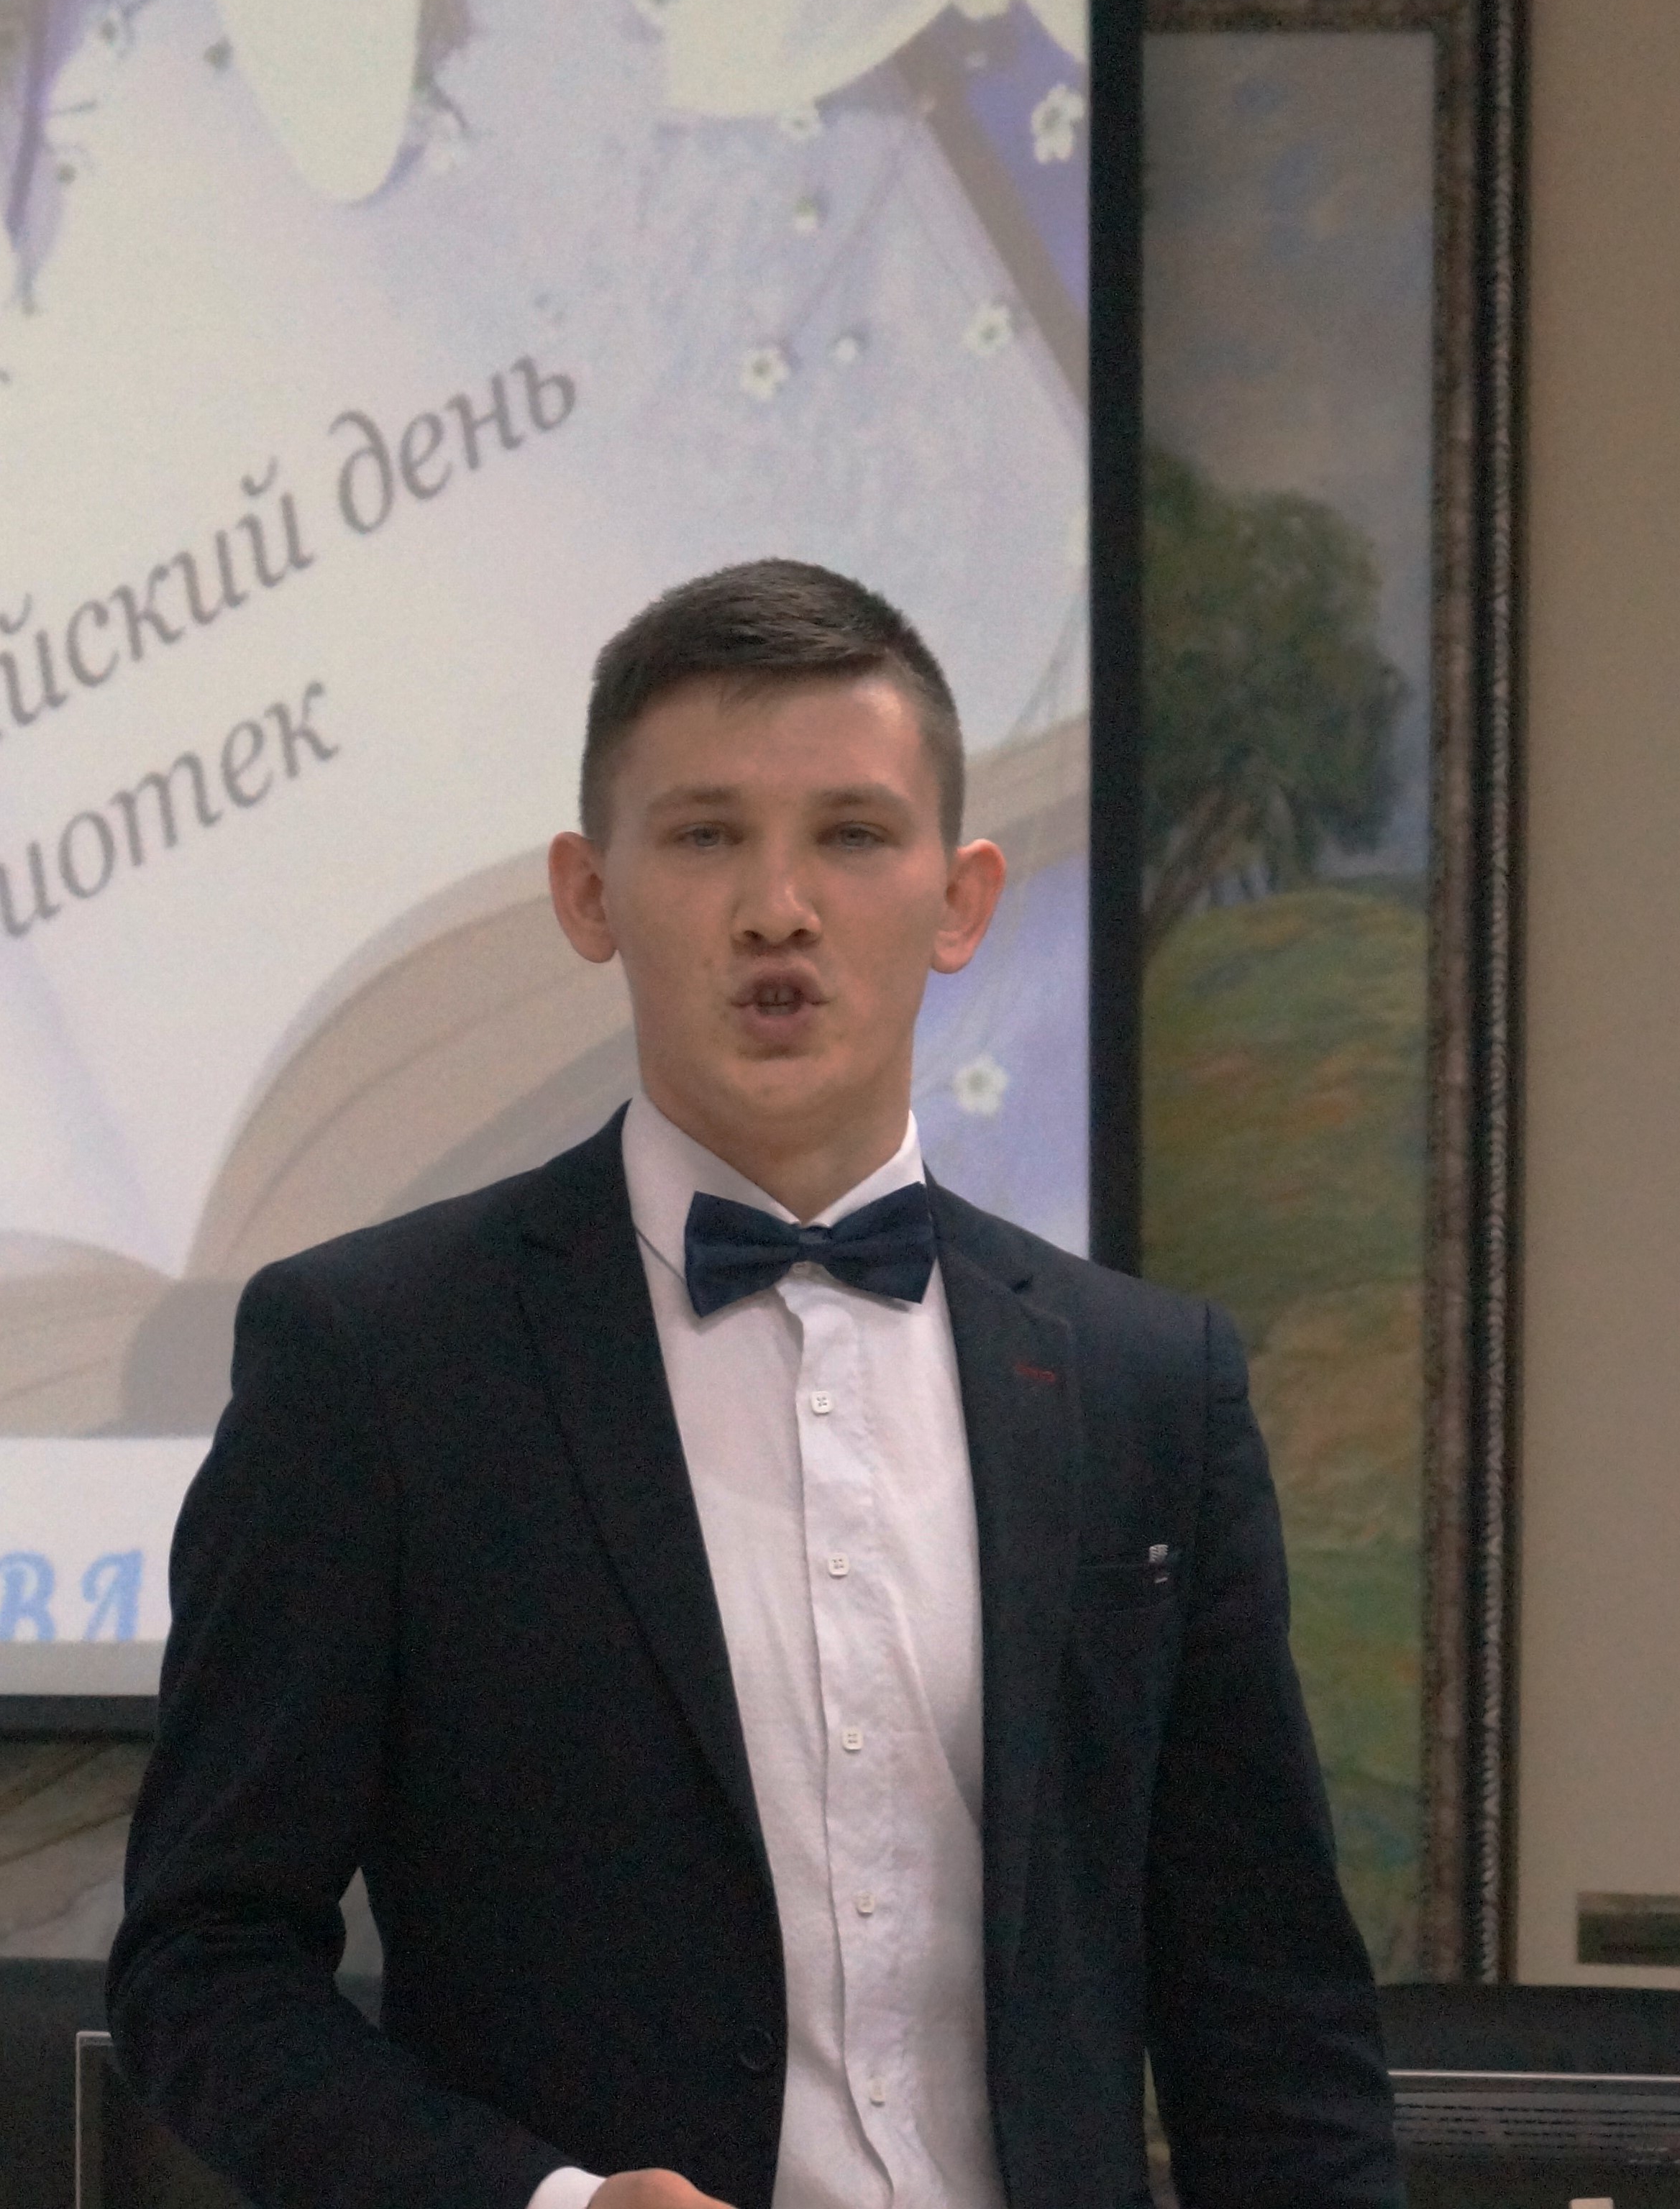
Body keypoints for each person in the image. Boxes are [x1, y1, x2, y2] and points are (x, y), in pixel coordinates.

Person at [107, 562, 1399, 2209]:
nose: (777, 907)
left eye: (852, 834)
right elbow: (205, 1962)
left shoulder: (1147, 1385)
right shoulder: (374, 1363)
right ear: (588, 893)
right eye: (705, 834)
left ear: (961, 900)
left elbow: (1271, 2021)